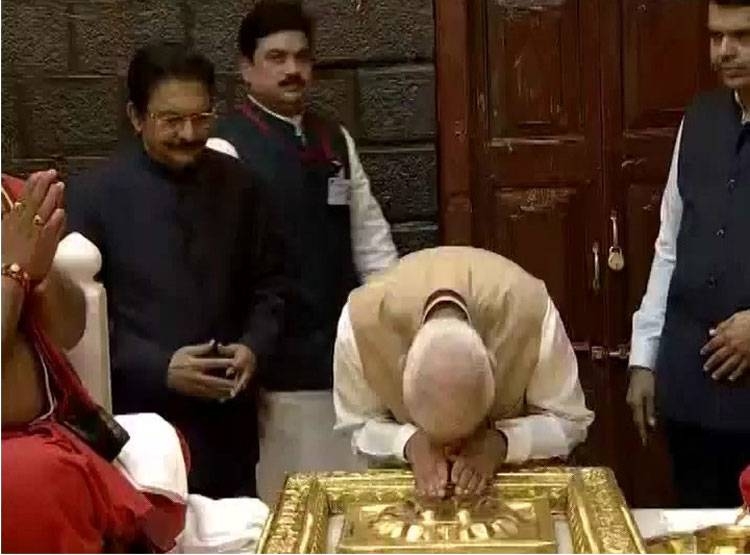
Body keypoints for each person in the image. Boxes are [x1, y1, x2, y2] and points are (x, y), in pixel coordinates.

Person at [66, 42, 286, 498]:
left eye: (201, 118)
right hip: (140, 431)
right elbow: (79, 326)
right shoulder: (94, 198)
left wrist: (253, 346)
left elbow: (272, 286)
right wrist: (159, 367)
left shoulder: (243, 187)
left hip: (230, 429)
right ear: (136, 117)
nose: (189, 133)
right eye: (171, 120)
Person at [206, 0, 397, 501]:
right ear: (246, 68)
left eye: (301, 57)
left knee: (355, 500)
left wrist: (390, 324)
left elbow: (371, 241)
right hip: (274, 373)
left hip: (346, 358)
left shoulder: (335, 137)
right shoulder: (225, 148)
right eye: (276, 58)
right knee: (291, 504)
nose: (292, 69)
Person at [2, 171, 182, 552]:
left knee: (163, 446)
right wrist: (12, 272)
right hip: (18, 460)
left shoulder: (14, 200)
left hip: (52, 427)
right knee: (32, 480)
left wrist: (43, 277)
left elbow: (70, 330)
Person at [333, 246, 594, 497]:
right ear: (402, 366)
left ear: (493, 363)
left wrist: (501, 443)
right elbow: (357, 425)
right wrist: (408, 443)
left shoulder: (530, 310)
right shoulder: (361, 321)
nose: (452, 453)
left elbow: (569, 421)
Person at [626, 0, 750, 509]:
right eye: (716, 37)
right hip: (690, 391)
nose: (725, 51)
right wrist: (644, 358)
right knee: (698, 531)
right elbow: (669, 245)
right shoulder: (699, 118)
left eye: (742, 36)